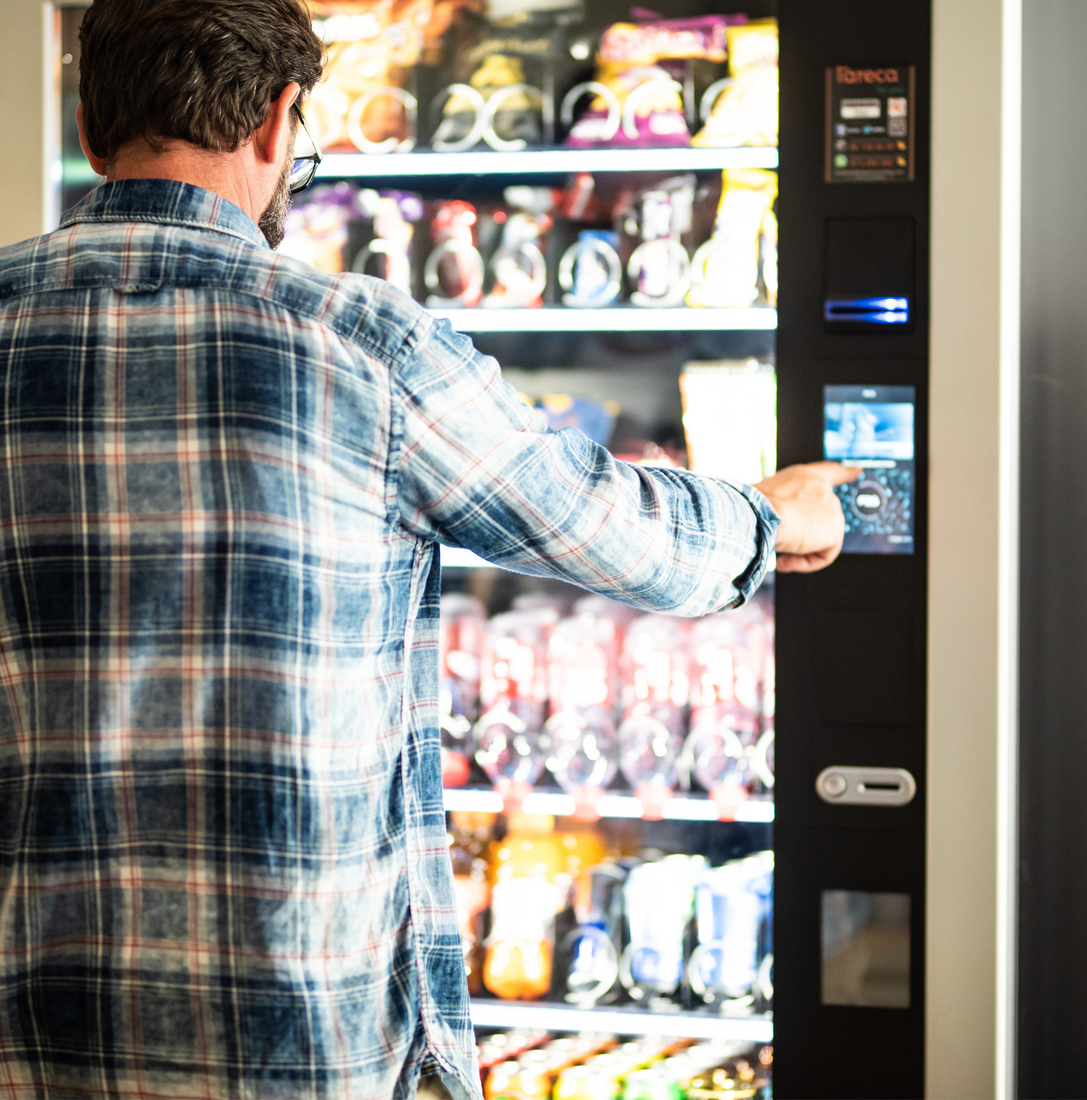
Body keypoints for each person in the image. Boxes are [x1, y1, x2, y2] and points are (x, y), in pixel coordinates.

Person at [0, 1, 856, 1097]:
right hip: (298, 1026)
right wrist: (772, 512)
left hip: (30, 1016)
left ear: (86, 121)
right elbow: (606, 527)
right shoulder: (361, 344)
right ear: (277, 121)